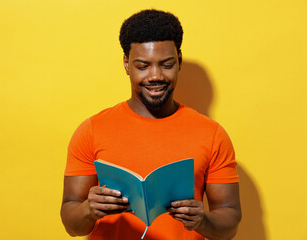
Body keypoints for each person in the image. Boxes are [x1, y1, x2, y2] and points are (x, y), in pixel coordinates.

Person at [60, 9, 241, 240]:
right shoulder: (92, 131)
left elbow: (230, 222)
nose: (155, 75)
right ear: (127, 64)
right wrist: (88, 209)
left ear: (179, 61)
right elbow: (72, 225)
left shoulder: (212, 134)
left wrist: (203, 220)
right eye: (143, 66)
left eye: (166, 64)